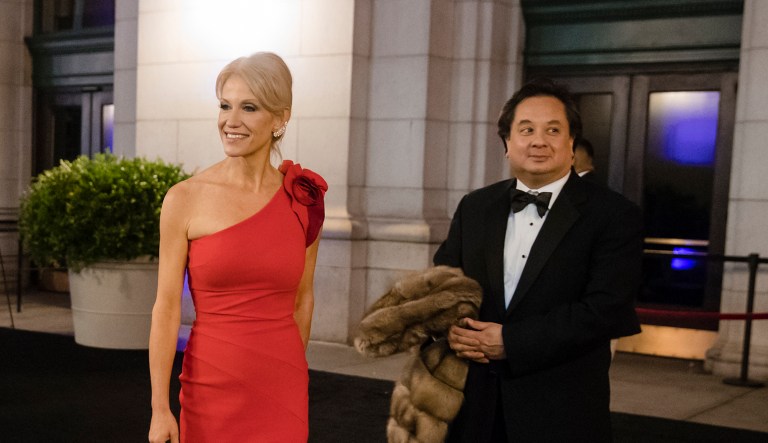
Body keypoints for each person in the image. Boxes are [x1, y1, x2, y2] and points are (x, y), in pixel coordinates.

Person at [434, 78, 642, 442]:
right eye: (526, 129)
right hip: (476, 405)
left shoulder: (613, 214)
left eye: (553, 130)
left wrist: (512, 342)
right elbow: (444, 282)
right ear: (507, 143)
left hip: (561, 408)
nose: (538, 141)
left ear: (571, 142)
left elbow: (606, 308)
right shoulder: (475, 206)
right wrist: (449, 328)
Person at [148, 52, 327, 443]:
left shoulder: (304, 198)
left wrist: (289, 370)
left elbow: (303, 300)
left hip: (283, 386)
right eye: (225, 106)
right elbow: (166, 308)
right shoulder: (184, 198)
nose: (231, 121)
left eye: (249, 107)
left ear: (281, 118)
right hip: (211, 383)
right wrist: (160, 408)